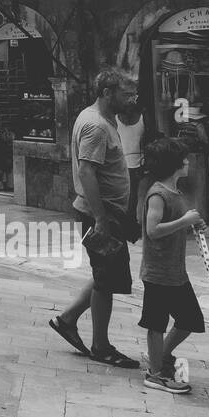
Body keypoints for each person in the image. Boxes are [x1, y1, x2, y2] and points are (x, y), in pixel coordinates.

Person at [48, 69, 140, 368]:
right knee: (106, 280)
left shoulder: (100, 118)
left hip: (110, 213)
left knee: (106, 274)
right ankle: (101, 346)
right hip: (101, 214)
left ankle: (67, 319)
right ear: (107, 93)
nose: (133, 99)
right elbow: (87, 171)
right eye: (127, 94)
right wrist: (101, 219)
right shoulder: (96, 126)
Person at [138, 138, 206, 395]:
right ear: (174, 164)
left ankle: (159, 357)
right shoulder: (158, 194)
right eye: (184, 159)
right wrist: (185, 220)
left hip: (176, 272)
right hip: (157, 273)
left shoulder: (176, 193)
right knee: (156, 324)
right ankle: (155, 375)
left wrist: (192, 224)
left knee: (190, 319)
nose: (188, 161)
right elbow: (152, 230)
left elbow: (174, 223)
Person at [118, 102, 147, 219]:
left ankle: (134, 222)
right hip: (125, 163)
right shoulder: (116, 120)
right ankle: (131, 222)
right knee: (132, 196)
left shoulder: (142, 118)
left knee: (135, 196)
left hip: (139, 163)